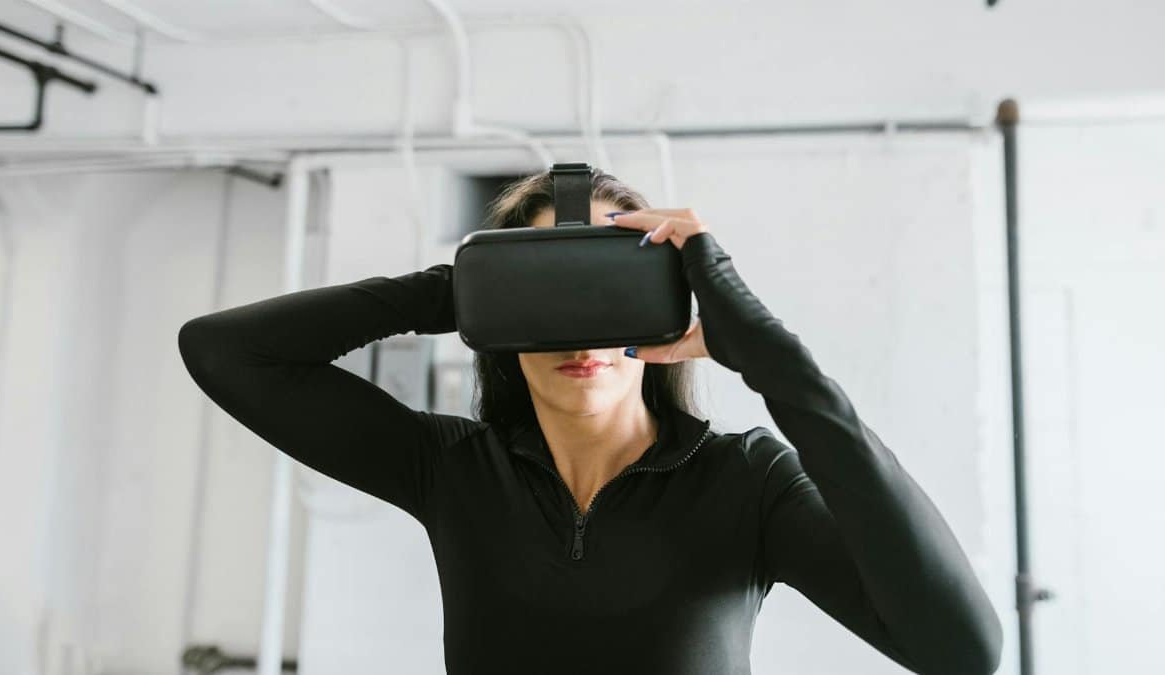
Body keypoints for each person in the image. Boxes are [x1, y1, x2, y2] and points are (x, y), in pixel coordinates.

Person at [177, 169, 1002, 675]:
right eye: (546, 296)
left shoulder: (749, 483)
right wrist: (457, 289)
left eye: (606, 290)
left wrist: (768, 352)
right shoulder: (451, 467)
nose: (583, 334)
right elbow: (223, 352)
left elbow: (961, 653)